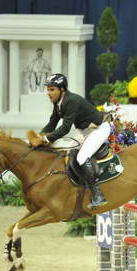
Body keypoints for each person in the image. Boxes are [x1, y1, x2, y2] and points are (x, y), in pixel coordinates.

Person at [31, 73, 109, 209]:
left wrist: (44, 139)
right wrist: (38, 136)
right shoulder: (58, 103)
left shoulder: (71, 100)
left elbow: (65, 128)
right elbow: (52, 124)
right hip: (85, 131)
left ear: (62, 90)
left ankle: (98, 194)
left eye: (52, 89)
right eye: (48, 89)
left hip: (99, 129)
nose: (48, 93)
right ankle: (81, 187)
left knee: (82, 157)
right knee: (68, 154)